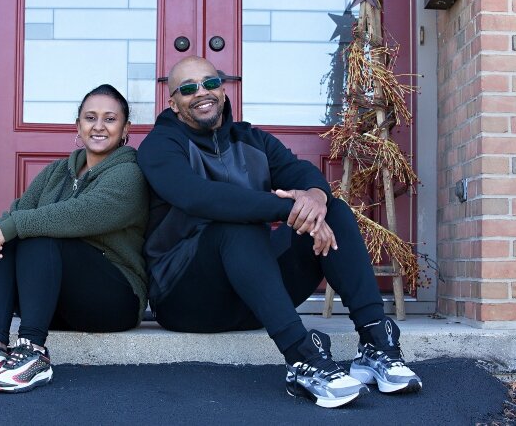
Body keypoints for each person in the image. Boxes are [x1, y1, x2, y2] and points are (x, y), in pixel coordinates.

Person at [137, 56, 421, 408]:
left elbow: (300, 172)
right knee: (234, 226)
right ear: (174, 104)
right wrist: (290, 209)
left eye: (210, 83)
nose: (202, 93)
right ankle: (304, 359)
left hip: (255, 299)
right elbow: (202, 198)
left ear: (223, 91)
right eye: (188, 88)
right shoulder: (160, 146)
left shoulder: (252, 139)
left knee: (333, 211)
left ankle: (376, 343)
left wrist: (316, 199)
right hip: (186, 299)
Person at [0, 84, 148, 393]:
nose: (98, 126)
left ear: (125, 128)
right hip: (54, 300)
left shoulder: (129, 175)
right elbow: (16, 213)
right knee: (11, 237)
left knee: (38, 235)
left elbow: (78, 214)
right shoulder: (57, 172)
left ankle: (32, 352)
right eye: (90, 117)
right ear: (78, 125)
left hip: (113, 300)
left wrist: (7, 228)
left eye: (110, 119)